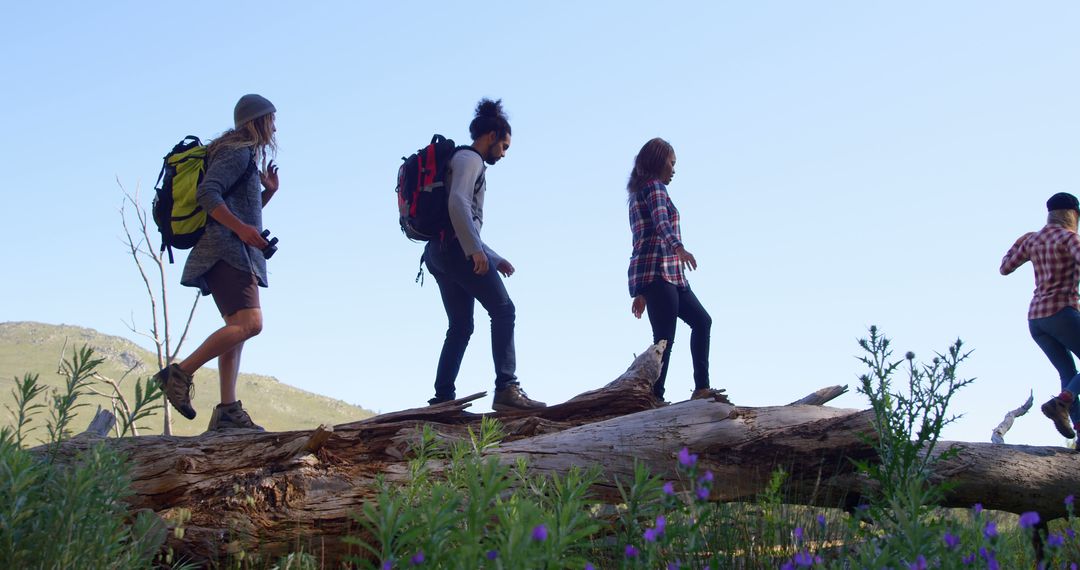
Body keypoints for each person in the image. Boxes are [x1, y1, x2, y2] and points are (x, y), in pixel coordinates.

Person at [153, 94, 280, 431]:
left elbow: (236, 205)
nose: (275, 126)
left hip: (232, 251)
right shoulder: (237, 152)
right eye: (271, 119)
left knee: (237, 330)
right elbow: (207, 195)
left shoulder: (243, 155)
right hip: (227, 251)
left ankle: (227, 410)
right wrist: (243, 231)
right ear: (258, 121)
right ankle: (178, 375)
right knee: (251, 324)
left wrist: (267, 194)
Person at [422, 98, 546, 411]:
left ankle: (442, 399)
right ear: (491, 136)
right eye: (503, 146)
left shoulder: (460, 160)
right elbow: (457, 204)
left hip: (438, 252)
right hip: (454, 249)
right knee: (504, 310)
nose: (503, 154)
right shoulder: (470, 159)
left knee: (461, 326)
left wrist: (491, 255)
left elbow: (461, 216)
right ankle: (506, 388)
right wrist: (475, 250)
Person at [626, 138, 725, 403]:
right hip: (659, 272)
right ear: (659, 161)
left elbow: (644, 237)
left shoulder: (640, 192)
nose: (673, 169)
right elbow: (660, 224)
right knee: (665, 338)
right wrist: (679, 248)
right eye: (671, 163)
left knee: (701, 321)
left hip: (670, 276)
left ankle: (701, 388)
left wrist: (642, 292)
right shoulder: (654, 188)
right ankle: (654, 396)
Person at [1001, 192, 1080, 440]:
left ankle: (1079, 432)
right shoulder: (1070, 239)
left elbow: (1005, 267)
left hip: (1036, 320)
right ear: (1074, 215)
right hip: (1063, 312)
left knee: (1067, 373)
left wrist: (1023, 241)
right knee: (1068, 381)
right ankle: (1063, 401)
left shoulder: (1032, 240)